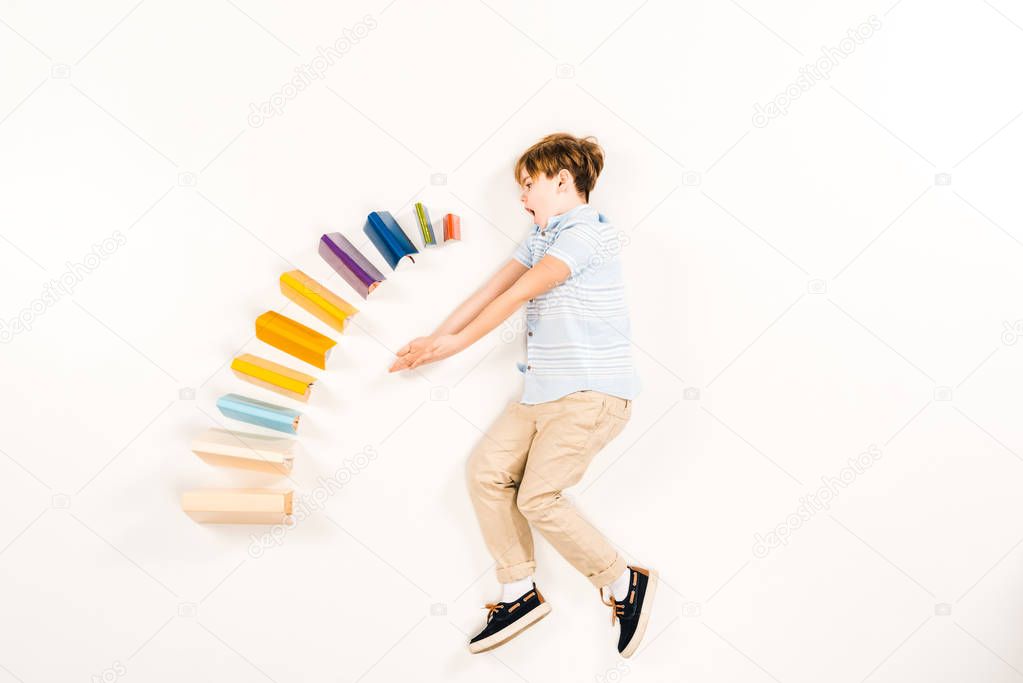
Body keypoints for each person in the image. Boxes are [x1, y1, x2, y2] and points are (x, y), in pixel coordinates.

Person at [389, 133, 655, 658]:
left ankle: (623, 581)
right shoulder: (542, 236)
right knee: (486, 472)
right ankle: (519, 590)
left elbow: (519, 295)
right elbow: (490, 290)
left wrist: (452, 348)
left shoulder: (587, 235)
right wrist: (435, 338)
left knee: (537, 497)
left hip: (591, 396)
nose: (522, 196)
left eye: (529, 184)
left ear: (563, 181)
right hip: (542, 395)